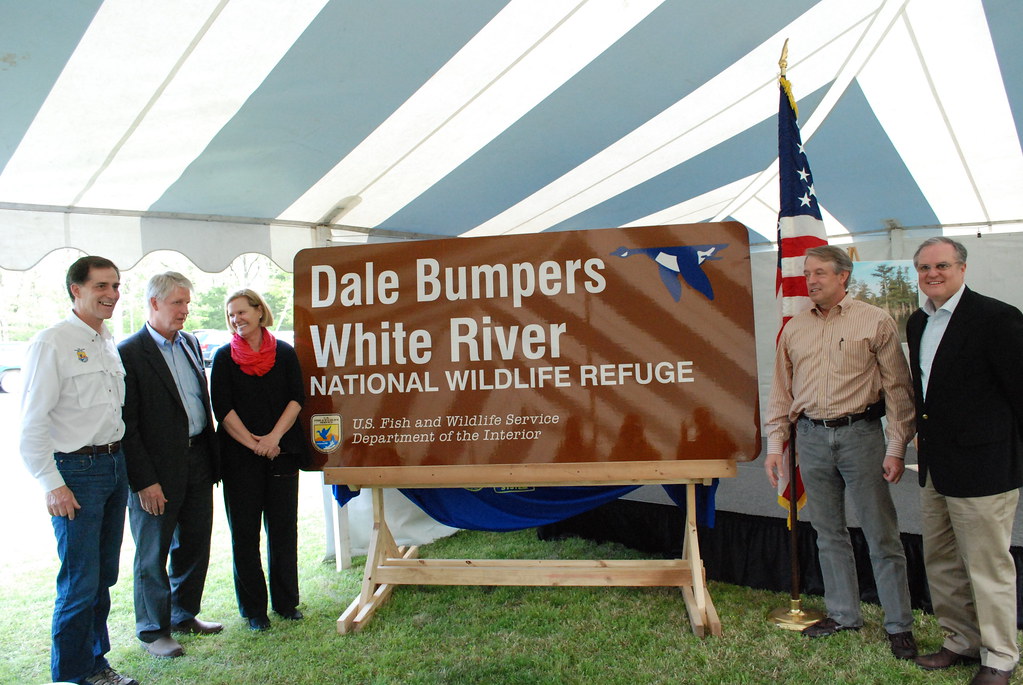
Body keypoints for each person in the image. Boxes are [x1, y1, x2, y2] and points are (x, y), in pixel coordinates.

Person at [764, 245, 917, 659]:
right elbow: (781, 390)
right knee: (828, 533)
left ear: (843, 276)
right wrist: (776, 445)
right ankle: (844, 614)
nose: (810, 280)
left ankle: (899, 625)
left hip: (861, 436)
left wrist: (897, 446)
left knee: (880, 533)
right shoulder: (795, 328)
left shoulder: (876, 320)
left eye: (819, 273)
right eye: (806, 273)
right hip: (811, 439)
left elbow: (899, 391)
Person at [907, 237, 1022, 685]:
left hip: (986, 467)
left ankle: (999, 656)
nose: (931, 274)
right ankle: (959, 640)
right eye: (923, 267)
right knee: (942, 560)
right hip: (936, 465)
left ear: (962, 268)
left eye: (941, 265)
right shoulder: (918, 321)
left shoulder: (997, 318)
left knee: (987, 565)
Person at [19, 256, 139, 685]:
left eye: (117, 286)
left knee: (103, 576)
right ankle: (70, 676)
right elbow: (31, 425)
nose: (112, 295)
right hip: (76, 472)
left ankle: (96, 665)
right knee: (78, 582)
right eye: (102, 286)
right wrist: (53, 485)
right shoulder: (53, 342)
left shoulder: (106, 340)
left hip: (113, 465)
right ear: (76, 289)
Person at [118, 272, 223, 658]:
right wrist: (144, 481)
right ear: (155, 303)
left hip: (198, 460)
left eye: (187, 302)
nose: (185, 310)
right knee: (153, 552)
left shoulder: (192, 343)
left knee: (195, 543)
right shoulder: (128, 353)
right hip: (156, 472)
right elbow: (126, 426)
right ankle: (153, 630)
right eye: (178, 302)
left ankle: (183, 614)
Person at [210, 289, 307, 631]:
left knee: (283, 530)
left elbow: (296, 399)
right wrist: (254, 444)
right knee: (245, 535)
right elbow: (222, 409)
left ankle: (286, 603)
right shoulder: (223, 358)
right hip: (240, 458)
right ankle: (254, 611)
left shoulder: (284, 353)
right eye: (231, 315)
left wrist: (273, 439)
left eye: (241, 312)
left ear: (259, 312)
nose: (236, 319)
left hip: (282, 453)